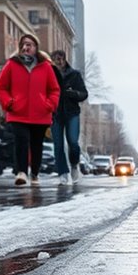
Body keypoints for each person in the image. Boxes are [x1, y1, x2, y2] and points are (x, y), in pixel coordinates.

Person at [0, 33, 60, 186]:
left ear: (35, 47)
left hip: (41, 114)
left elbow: (54, 90)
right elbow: (0, 87)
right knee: (21, 142)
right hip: (18, 113)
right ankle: (21, 172)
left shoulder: (46, 67)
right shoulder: (12, 64)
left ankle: (35, 174)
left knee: (36, 145)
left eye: (29, 44)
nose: (25, 47)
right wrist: (9, 103)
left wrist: (49, 105)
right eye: (23, 45)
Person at [50, 50, 89, 186]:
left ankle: (74, 165)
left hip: (72, 113)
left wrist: (72, 93)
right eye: (55, 59)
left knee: (73, 142)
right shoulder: (49, 75)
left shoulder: (74, 75)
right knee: (58, 145)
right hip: (55, 114)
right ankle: (62, 173)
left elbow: (84, 94)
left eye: (60, 59)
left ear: (65, 60)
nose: (58, 62)